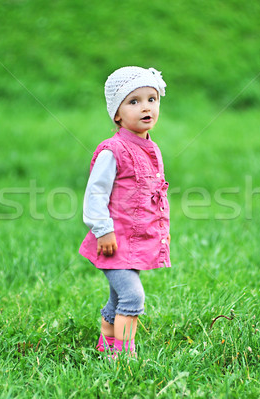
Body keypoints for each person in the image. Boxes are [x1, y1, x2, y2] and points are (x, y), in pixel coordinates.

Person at [79, 66, 171, 357]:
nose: (146, 107)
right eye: (134, 101)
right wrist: (102, 229)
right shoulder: (112, 150)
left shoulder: (150, 147)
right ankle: (123, 356)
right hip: (113, 240)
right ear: (117, 114)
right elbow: (96, 192)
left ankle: (105, 344)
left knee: (117, 296)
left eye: (151, 99)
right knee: (132, 296)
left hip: (137, 240)